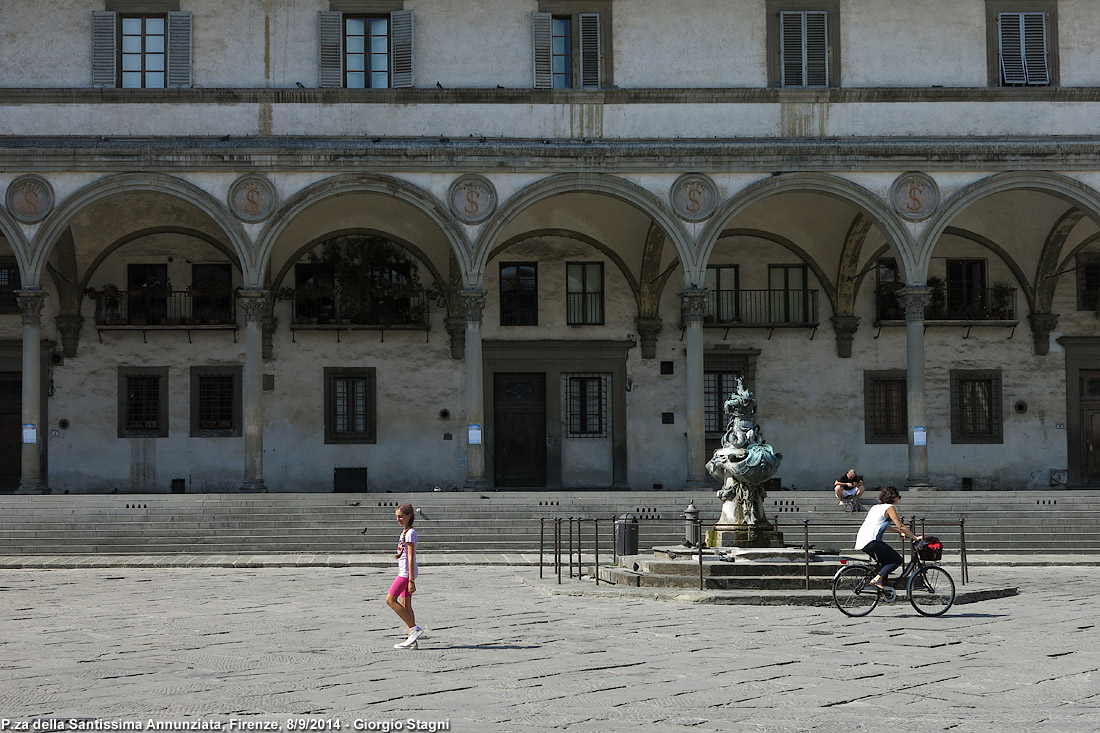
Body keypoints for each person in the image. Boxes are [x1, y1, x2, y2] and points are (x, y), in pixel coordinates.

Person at [854, 486, 922, 592]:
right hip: (873, 541)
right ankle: (877, 580)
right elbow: (900, 525)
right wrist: (914, 537)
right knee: (897, 560)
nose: (899, 499)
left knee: (885, 563)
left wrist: (900, 533)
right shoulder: (890, 508)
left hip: (862, 541)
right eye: (898, 496)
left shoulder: (875, 507)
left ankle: (882, 590)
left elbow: (885, 526)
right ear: (893, 497)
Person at [386, 504, 425, 649]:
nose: (398, 519)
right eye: (397, 516)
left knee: (390, 599)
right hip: (405, 572)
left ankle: (413, 628)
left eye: (401, 516)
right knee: (406, 605)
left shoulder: (410, 533)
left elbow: (410, 557)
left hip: (406, 574)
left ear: (409, 516)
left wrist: (411, 580)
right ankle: (412, 640)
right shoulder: (405, 532)